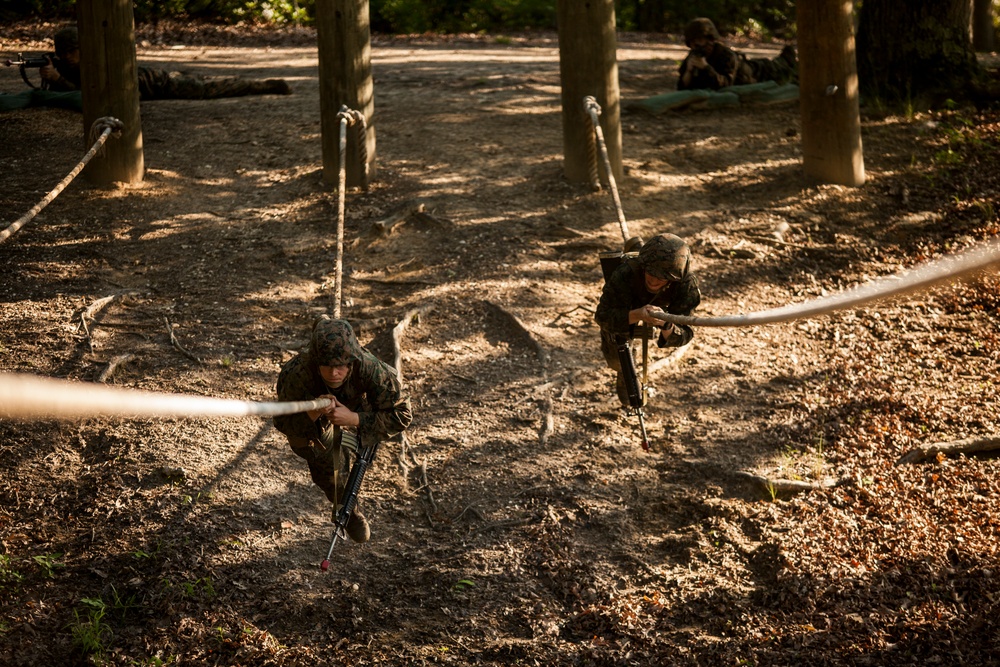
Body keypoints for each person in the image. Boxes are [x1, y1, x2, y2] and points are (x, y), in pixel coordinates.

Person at [274, 316, 412, 543]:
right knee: (328, 474)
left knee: (355, 453)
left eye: (340, 366)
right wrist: (312, 414)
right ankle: (349, 508)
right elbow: (282, 422)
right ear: (315, 361)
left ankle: (348, 500)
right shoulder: (296, 373)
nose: (333, 373)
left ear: (351, 361)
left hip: (358, 406)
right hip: (314, 422)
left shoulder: (369, 368)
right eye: (326, 366)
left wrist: (354, 419)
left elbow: (402, 414)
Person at [595, 234, 701, 407]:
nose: (653, 279)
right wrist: (637, 315)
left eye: (661, 277)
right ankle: (624, 370)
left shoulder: (685, 284)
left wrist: (665, 323)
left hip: (662, 305)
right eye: (650, 273)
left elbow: (684, 334)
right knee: (616, 357)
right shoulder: (627, 271)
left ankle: (637, 246)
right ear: (644, 266)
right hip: (629, 300)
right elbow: (603, 316)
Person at [40, 27, 291, 100]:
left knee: (211, 88)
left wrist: (57, 80)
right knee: (208, 83)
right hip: (158, 79)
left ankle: (263, 86)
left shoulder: (95, 67)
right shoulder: (74, 68)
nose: (69, 57)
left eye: (73, 51)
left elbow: (93, 96)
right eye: (65, 53)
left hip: (162, 83)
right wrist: (56, 78)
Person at [678, 18, 797, 91]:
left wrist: (706, 68)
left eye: (698, 40)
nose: (695, 45)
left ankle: (787, 57)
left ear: (710, 40)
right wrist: (688, 72)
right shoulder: (694, 56)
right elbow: (681, 87)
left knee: (778, 67)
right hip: (749, 69)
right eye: (692, 42)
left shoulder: (725, 55)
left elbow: (726, 85)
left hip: (754, 73)